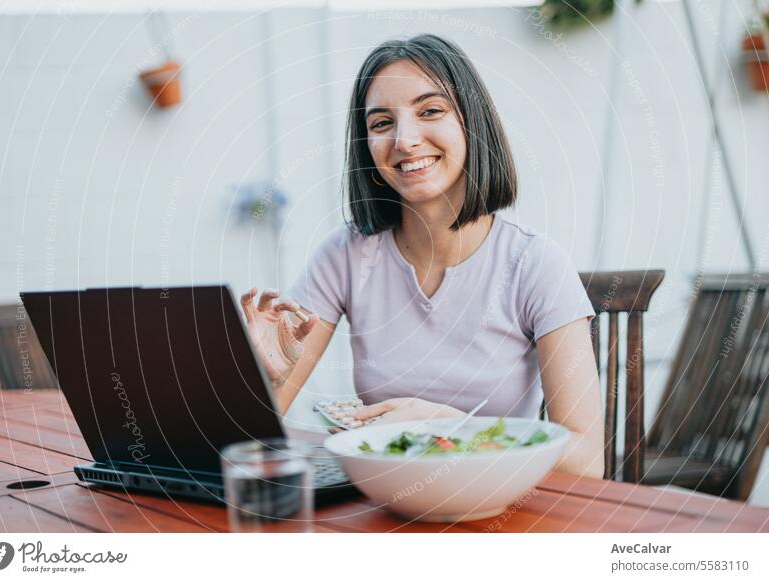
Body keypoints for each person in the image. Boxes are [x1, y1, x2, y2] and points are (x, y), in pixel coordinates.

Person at [240, 34, 603, 478]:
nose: (405, 140)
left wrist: (444, 428)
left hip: (498, 512)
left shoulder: (535, 264)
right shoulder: (346, 255)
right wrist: (264, 374)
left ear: (473, 123)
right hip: (384, 507)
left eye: (430, 111)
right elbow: (245, 441)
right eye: (380, 124)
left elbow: (587, 462)